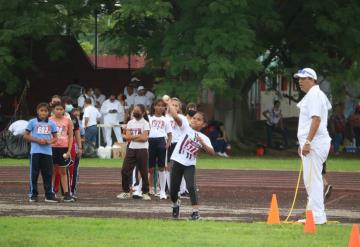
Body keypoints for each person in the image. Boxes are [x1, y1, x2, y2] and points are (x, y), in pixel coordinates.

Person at [165, 97, 215, 220]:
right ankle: (176, 203)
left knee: (191, 187)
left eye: (199, 120)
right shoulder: (185, 128)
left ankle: (195, 212)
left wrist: (202, 143)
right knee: (173, 190)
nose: (195, 121)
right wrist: (168, 103)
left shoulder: (203, 137)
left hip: (189, 164)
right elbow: (175, 116)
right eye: (194, 118)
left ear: (204, 124)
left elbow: (212, 152)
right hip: (177, 161)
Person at [294, 67, 332, 224]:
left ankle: (316, 216)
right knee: (311, 180)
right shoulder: (314, 95)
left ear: (312, 79)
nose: (300, 82)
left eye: (303, 79)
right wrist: (303, 142)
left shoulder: (315, 95)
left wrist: (308, 142)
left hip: (315, 143)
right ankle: (313, 215)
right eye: (299, 79)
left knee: (313, 180)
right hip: (314, 143)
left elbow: (316, 119)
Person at [23, 103, 59, 203]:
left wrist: (48, 141)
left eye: (46, 111)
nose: (43, 112)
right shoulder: (32, 122)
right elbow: (25, 136)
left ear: (49, 112)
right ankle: (33, 195)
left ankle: (49, 195)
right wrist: (37, 140)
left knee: (48, 174)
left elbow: (55, 138)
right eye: (41, 110)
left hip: (47, 153)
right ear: (37, 111)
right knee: (34, 174)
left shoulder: (51, 123)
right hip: (35, 152)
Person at [117, 104, 151, 201]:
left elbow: (144, 138)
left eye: (138, 111)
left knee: (144, 171)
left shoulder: (145, 123)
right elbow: (127, 137)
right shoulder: (130, 122)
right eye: (134, 110)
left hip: (143, 149)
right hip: (131, 148)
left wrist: (132, 136)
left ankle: (145, 192)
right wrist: (138, 136)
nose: (135, 112)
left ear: (143, 113)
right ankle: (126, 192)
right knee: (124, 170)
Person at [49, 102, 74, 202]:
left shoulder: (67, 121)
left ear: (64, 110)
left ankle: (67, 193)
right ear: (53, 110)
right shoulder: (49, 120)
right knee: (52, 171)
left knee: (63, 171)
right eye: (57, 109)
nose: (59, 111)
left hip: (63, 148)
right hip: (51, 148)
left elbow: (71, 136)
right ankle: (50, 192)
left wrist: (68, 150)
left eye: (61, 109)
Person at [148, 99, 172, 199]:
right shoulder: (149, 118)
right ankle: (147, 188)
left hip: (161, 141)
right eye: (158, 105)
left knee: (162, 167)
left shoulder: (166, 119)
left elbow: (170, 134)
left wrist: (168, 143)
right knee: (150, 167)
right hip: (150, 141)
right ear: (154, 106)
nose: (160, 107)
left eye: (162, 106)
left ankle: (162, 191)